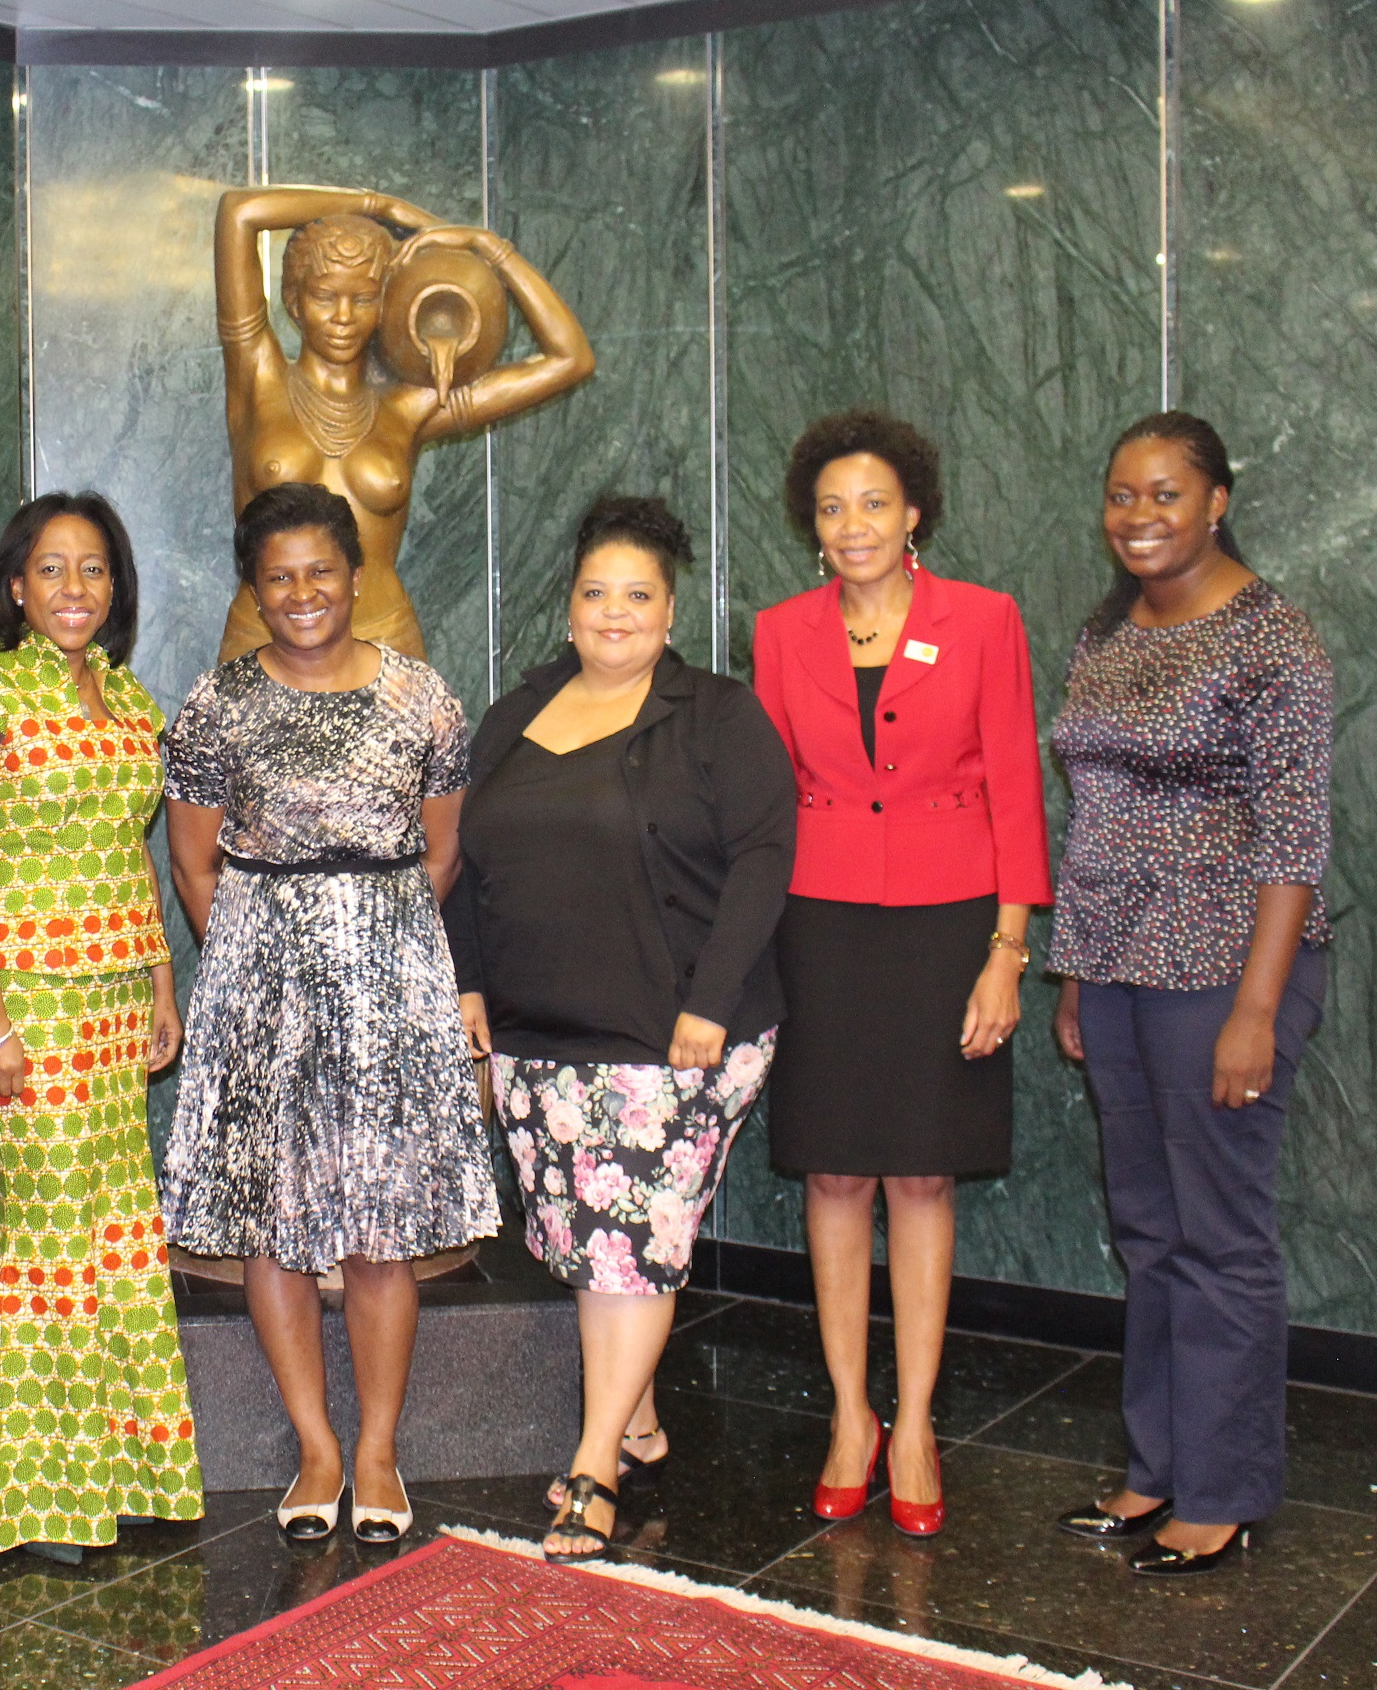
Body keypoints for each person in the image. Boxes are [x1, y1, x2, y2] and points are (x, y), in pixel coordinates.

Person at [447, 497, 796, 1560]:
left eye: (637, 594)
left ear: (671, 609)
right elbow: (472, 857)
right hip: (539, 1032)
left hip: (674, 1033)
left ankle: (591, 1467)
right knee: (589, 1245)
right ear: (568, 610)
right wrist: (468, 982)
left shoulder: (717, 716)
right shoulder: (516, 715)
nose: (614, 612)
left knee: (630, 1249)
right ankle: (637, 1421)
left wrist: (707, 1001)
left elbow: (764, 860)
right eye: (595, 592)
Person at [162, 481, 500, 1547]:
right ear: (253, 591)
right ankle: (314, 1444)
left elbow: (441, 852)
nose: (302, 593)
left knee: (380, 1227)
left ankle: (378, 1449)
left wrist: (371, 944)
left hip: (391, 980)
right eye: (279, 577)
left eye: (320, 571)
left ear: (356, 577)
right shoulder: (217, 707)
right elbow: (193, 862)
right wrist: (272, 959)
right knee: (275, 1218)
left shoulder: (422, 697)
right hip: (261, 981)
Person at [750, 411, 1052, 1538]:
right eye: (832, 508)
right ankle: (848, 1416)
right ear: (811, 527)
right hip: (821, 925)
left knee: (922, 1176)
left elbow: (1016, 783)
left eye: (874, 502)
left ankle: (916, 1423)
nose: (853, 525)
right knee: (832, 1175)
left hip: (948, 923)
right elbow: (768, 797)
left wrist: (1008, 951)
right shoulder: (780, 631)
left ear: (914, 509)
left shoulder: (982, 619)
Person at [1049, 412, 1331, 1576]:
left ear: (1218, 500)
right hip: (1114, 970)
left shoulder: (1277, 645)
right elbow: (1092, 815)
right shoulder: (1108, 631)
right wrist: (1074, 976)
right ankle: (1155, 1468)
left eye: (1165, 495)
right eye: (1122, 496)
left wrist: (1256, 1011)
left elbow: (1295, 842)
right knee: (1147, 1231)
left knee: (1220, 1238)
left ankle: (1222, 1488)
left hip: (1222, 975)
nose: (1140, 518)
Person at [0, 492, 204, 1561]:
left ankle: (122, 1469)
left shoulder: (133, 701)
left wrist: (162, 986)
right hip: (24, 991)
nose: (73, 588)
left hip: (118, 987)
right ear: (15, 585)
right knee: (45, 1228)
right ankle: (32, 1495)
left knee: (117, 1228)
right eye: (52, 569)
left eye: (93, 570)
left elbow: (135, 847)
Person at [211, 185, 593, 661]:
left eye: (365, 299)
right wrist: (378, 206)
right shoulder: (258, 377)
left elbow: (569, 359)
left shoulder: (408, 410)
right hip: (263, 637)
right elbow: (239, 212)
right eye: (325, 296)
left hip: (383, 641)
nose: (344, 317)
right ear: (293, 301)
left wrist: (488, 249)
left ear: (385, 308)